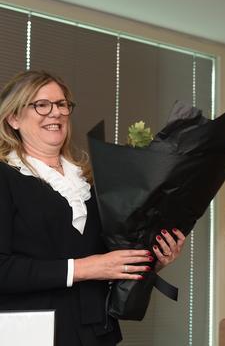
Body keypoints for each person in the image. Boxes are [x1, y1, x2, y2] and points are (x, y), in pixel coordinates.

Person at [0, 70, 185, 346]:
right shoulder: (5, 177)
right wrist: (86, 268)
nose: (56, 113)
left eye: (62, 104)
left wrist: (151, 260)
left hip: (97, 333)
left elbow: (109, 262)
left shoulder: (89, 180)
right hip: (29, 333)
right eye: (41, 104)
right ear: (13, 118)